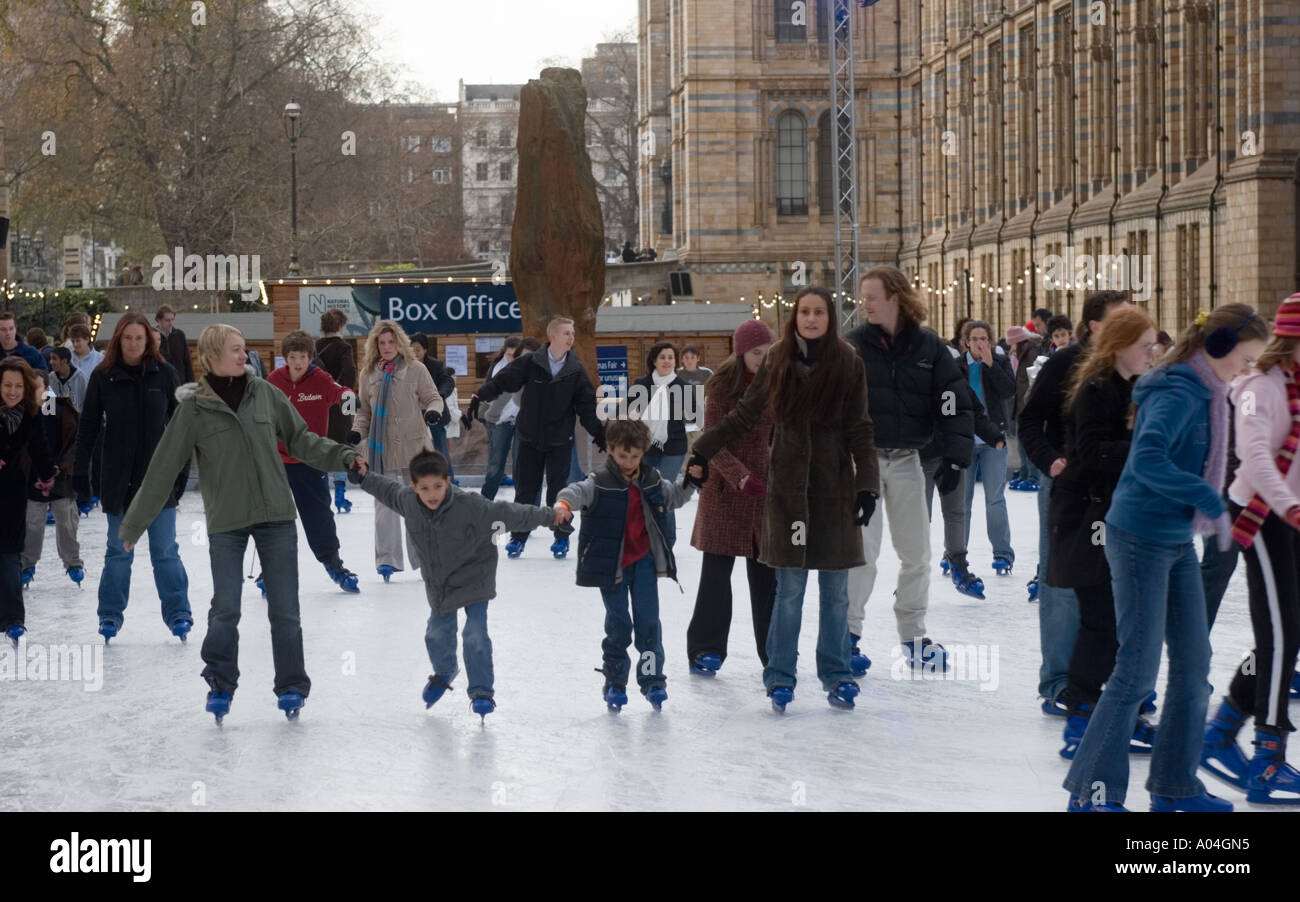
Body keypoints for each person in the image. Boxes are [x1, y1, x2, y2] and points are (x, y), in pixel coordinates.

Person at [1063, 303, 1269, 812]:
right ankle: (1092, 792)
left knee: (1194, 665)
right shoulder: (1179, 390)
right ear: (1218, 347)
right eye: (1244, 358)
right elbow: (1148, 458)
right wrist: (1205, 497)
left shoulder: (1210, 390)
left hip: (1172, 537)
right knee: (1136, 670)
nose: (1246, 370)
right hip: (1138, 539)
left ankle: (1175, 788)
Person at [118, 324, 366, 723]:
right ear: (213, 356)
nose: (243, 355)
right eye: (236, 349)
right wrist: (133, 527)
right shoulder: (194, 410)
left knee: (285, 610)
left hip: (276, 517)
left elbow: (301, 440)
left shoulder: (266, 394)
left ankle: (291, 686)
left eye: (244, 348)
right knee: (226, 608)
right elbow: (162, 470)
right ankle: (220, 682)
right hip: (227, 523)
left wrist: (343, 455)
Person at [689, 285, 880, 712]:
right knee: (789, 588)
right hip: (789, 494)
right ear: (795, 318)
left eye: (819, 313)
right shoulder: (777, 359)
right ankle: (779, 675)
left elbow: (860, 428)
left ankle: (836, 673)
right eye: (804, 313)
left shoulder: (848, 362)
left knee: (835, 591)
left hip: (834, 492)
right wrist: (704, 446)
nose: (811, 320)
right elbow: (745, 414)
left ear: (830, 319)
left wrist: (868, 483)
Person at [354, 448, 561, 719]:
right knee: (435, 635)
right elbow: (387, 489)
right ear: (414, 487)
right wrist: (364, 477)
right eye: (425, 488)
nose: (432, 494)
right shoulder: (407, 501)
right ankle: (445, 670)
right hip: (441, 583)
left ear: (448, 481)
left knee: (474, 637)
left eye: (438, 486)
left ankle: (481, 692)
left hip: (475, 577)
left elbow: (510, 513)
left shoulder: (471, 506)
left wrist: (549, 516)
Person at [845, 266, 972, 675]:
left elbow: (953, 399)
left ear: (895, 297)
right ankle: (846, 636)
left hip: (907, 460)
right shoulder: (853, 346)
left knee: (917, 555)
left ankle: (914, 637)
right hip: (860, 462)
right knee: (862, 553)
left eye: (871, 296)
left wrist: (954, 456)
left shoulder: (928, 347)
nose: (864, 304)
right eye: (862, 297)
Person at [1047, 306, 1160, 759]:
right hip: (1087, 517)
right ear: (1120, 347)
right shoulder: (1095, 390)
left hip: (1118, 514)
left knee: (1120, 621)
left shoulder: (1137, 387)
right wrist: (1146, 445)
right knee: (1102, 619)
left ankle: (1117, 713)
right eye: (1145, 346)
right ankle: (1081, 714)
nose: (1153, 353)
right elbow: (1091, 452)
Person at [1202, 295, 1300, 803]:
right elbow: (1255, 455)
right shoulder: (1257, 387)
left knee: (1286, 633)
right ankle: (1268, 758)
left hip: (1289, 514)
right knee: (1280, 633)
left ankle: (1220, 732)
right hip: (1259, 513)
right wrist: (1290, 508)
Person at [1018, 290, 1131, 714]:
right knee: (1064, 583)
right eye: (1120, 320)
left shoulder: (1131, 367)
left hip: (1117, 487)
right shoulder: (1067, 364)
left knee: (1117, 583)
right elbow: (1028, 420)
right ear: (1094, 326)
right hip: (1068, 489)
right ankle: (1060, 681)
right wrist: (1051, 463)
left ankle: (1117, 677)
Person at [556, 419, 700, 711]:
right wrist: (563, 505)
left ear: (643, 452)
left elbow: (674, 496)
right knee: (619, 625)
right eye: (623, 456)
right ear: (610, 451)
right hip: (613, 568)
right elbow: (576, 491)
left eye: (635, 456)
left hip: (644, 563)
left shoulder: (652, 478)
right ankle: (615, 681)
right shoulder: (599, 481)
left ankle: (652, 680)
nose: (629, 462)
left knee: (648, 624)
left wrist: (691, 480)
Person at [74, 312, 192, 643]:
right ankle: (110, 614)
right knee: (118, 550)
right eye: (128, 338)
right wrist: (82, 472)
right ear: (118, 340)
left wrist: (181, 474)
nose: (134, 344)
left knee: (164, 550)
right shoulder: (104, 377)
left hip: (158, 481)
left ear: (149, 341)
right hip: (117, 479)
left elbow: (184, 428)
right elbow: (88, 428)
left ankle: (178, 612)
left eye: (140, 338)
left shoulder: (165, 375)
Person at [463, 316, 606, 560]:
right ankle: (519, 538)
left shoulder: (575, 371)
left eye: (572, 333)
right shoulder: (531, 362)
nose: (571, 337)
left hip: (560, 441)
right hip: (529, 437)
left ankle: (561, 537)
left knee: (559, 493)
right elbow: (503, 381)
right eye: (566, 333)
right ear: (552, 336)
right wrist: (480, 396)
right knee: (526, 492)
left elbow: (586, 407)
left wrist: (599, 433)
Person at [685, 320, 776, 674]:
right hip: (725, 492)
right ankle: (705, 648)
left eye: (768, 353)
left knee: (767, 578)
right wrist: (740, 477)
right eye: (756, 353)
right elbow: (712, 441)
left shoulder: (777, 385)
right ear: (741, 352)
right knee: (716, 578)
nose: (763, 359)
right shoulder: (721, 388)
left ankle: (773, 651)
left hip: (766, 492)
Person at [349, 320, 444, 581]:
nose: (387, 347)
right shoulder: (368, 374)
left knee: (419, 503)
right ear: (375, 346)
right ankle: (387, 560)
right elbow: (365, 412)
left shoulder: (416, 369)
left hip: (415, 447)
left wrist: (434, 412)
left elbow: (433, 397)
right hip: (384, 448)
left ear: (399, 343)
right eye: (382, 343)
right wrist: (358, 431)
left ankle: (424, 556)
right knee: (385, 504)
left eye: (391, 342)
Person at [266, 331, 360, 594]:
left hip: (311, 460)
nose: (298, 363)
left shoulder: (320, 379)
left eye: (303, 357)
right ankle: (269, 570)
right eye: (293, 357)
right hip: (278, 461)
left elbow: (339, 391)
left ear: (311, 357)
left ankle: (334, 564)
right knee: (275, 520)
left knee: (319, 516)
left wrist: (349, 398)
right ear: (285, 358)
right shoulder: (274, 381)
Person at [0, 358, 55, 643]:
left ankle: (13, 619)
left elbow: (40, 446)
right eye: (7, 385)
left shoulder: (31, 415)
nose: (12, 391)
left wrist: (47, 474)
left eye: (18, 386)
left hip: (10, 491)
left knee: (10, 555)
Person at [959, 319, 1016, 576]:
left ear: (990, 342)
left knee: (995, 499)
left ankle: (1002, 553)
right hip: (963, 441)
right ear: (966, 342)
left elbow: (1009, 391)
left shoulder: (1000, 362)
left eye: (984, 339)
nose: (980, 344)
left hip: (994, 440)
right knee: (962, 502)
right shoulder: (955, 366)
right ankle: (956, 552)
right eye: (975, 339)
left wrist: (992, 366)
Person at [21, 371, 84, 589]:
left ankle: (73, 562)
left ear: (47, 389)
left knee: (66, 520)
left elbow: (75, 441)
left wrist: (64, 466)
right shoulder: (22, 413)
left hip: (61, 476)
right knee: (32, 523)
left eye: (37, 388)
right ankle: (27, 564)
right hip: (33, 478)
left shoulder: (61, 412)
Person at [631, 341, 690, 545]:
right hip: (645, 447)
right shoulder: (642, 384)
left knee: (664, 491)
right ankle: (647, 536)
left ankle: (667, 540)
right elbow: (628, 414)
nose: (667, 361)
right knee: (646, 491)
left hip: (673, 448)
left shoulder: (683, 387)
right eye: (663, 357)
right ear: (654, 361)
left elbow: (696, 417)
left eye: (671, 357)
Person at [315, 309, 358, 514]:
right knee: (341, 446)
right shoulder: (343, 347)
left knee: (320, 447)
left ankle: (322, 493)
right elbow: (349, 371)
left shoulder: (314, 347)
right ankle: (340, 496)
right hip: (339, 405)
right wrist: (347, 401)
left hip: (317, 403)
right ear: (340, 325)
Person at [479, 336, 526, 500]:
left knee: (520, 463)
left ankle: (522, 503)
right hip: (500, 421)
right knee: (496, 463)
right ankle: (485, 500)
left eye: (515, 355)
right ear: (504, 353)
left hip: (522, 422)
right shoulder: (497, 369)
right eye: (509, 355)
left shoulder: (527, 367)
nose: (511, 358)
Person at [408, 333, 457, 481]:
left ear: (425, 350)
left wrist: (439, 396)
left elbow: (448, 382)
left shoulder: (435, 365)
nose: (415, 353)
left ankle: (449, 482)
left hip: (435, 412)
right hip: (414, 414)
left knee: (440, 449)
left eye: (418, 349)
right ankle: (419, 481)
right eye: (412, 349)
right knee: (415, 450)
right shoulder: (405, 366)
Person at [1005, 324, 1044, 491]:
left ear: (1018, 342)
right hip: (1021, 406)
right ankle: (1024, 473)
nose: (1010, 347)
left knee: (1028, 442)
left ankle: (1032, 475)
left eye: (1012, 343)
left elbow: (1034, 381)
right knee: (1021, 443)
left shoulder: (1031, 354)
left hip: (1028, 407)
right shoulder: (1022, 354)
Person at [676, 344, 712, 454]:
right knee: (683, 450)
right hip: (681, 418)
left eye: (692, 357)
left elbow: (714, 392)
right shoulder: (676, 374)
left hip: (700, 418)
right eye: (686, 357)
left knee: (701, 449)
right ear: (682, 359)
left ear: (698, 358)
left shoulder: (707, 373)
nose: (689, 360)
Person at [154, 305, 195, 384]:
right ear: (159, 320)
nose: (171, 323)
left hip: (180, 382)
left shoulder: (179, 335)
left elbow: (187, 361)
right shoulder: (152, 337)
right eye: (167, 320)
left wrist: (191, 384)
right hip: (161, 383)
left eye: (172, 319)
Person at [47, 347, 88, 414]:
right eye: (50, 358)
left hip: (77, 421)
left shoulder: (81, 378)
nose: (50, 362)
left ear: (64, 361)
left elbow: (88, 402)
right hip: (56, 420)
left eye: (54, 359)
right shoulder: (50, 378)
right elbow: (48, 405)